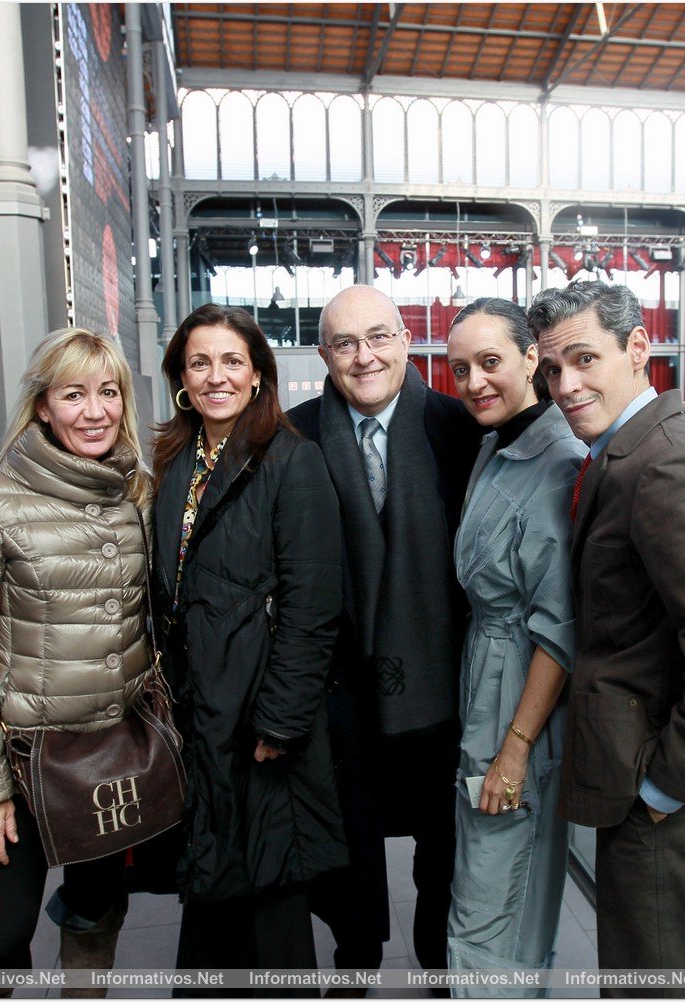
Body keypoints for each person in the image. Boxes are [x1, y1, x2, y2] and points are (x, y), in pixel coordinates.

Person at [530, 281, 685, 998]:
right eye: (552, 369)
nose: (566, 385)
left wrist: (662, 788)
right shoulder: (627, 453)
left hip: (673, 800)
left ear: (638, 349)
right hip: (660, 790)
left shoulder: (662, 466)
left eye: (584, 359)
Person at [0, 328, 154, 996]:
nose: (95, 410)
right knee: (1, 928)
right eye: (73, 394)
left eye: (108, 392)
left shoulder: (135, 491)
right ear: (43, 405)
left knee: (95, 905)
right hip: (24, 759)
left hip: (113, 753)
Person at [286, 285, 483, 982]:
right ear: (325, 356)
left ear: (405, 341)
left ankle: (440, 972)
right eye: (345, 343)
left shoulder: (461, 429)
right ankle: (355, 965)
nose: (364, 356)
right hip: (340, 702)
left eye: (378, 337)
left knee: (446, 864)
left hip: (446, 694)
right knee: (348, 863)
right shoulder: (294, 436)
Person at [149, 304, 346, 979]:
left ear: (259, 374)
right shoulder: (173, 459)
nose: (216, 376)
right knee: (211, 881)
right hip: (199, 710)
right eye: (200, 362)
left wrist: (283, 719)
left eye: (232, 360)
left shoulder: (292, 461)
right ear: (181, 374)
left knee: (271, 892)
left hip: (262, 715)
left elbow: (313, 604)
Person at [443, 299, 583, 991]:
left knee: (497, 906)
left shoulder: (557, 463)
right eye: (460, 368)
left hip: (519, 700)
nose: (473, 382)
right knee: (485, 887)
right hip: (488, 681)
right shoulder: (497, 446)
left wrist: (516, 746)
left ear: (533, 358)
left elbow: (560, 629)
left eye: (489, 362)